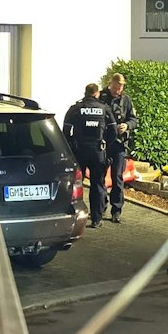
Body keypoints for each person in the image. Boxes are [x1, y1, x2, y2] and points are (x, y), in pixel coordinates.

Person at [63, 83, 116, 227]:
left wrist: (73, 146)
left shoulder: (76, 109)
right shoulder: (104, 108)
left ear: (85, 92)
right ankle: (96, 219)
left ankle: (72, 216)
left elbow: (66, 131)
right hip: (98, 152)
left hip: (79, 151)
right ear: (97, 93)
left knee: (75, 184)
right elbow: (113, 131)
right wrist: (105, 144)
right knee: (97, 184)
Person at [99, 72, 140, 221]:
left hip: (119, 145)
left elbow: (134, 120)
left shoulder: (126, 100)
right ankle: (101, 207)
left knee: (117, 178)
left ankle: (116, 211)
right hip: (104, 143)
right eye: (116, 87)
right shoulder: (101, 97)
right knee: (100, 177)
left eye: (121, 87)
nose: (118, 90)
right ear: (111, 84)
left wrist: (126, 125)